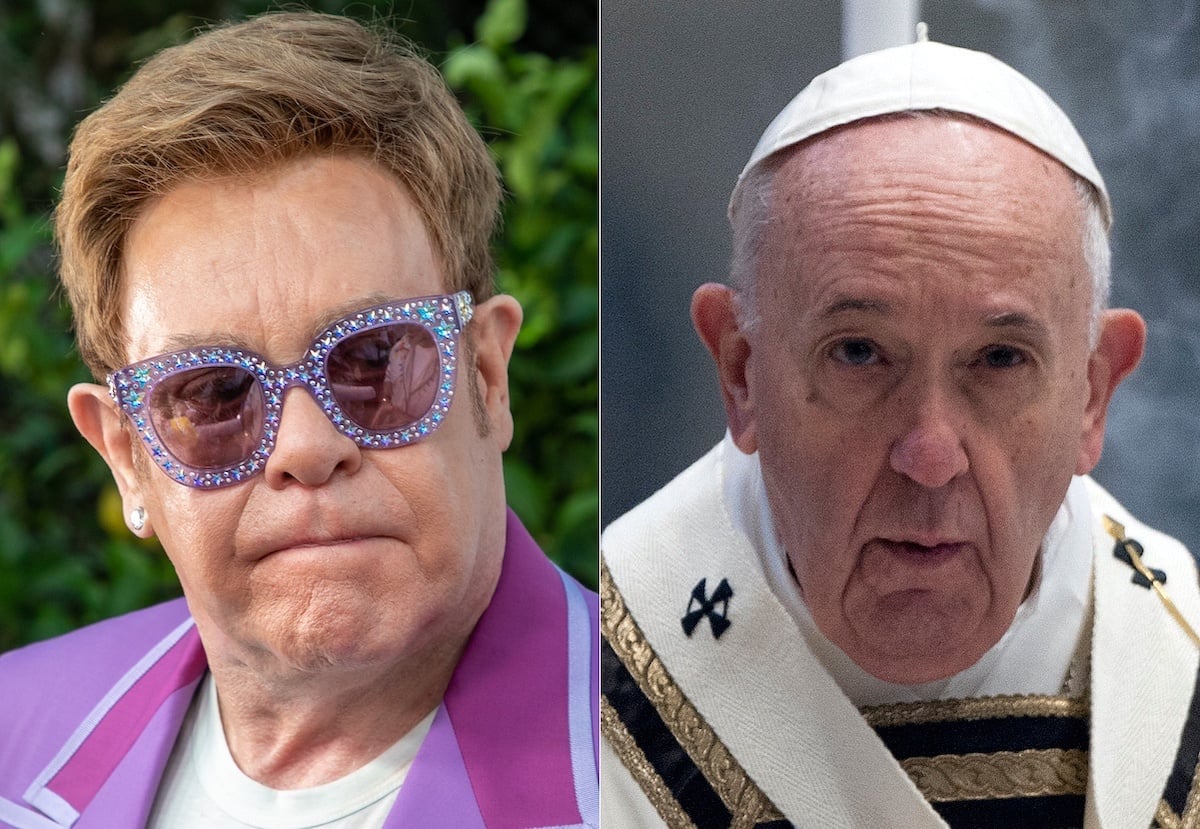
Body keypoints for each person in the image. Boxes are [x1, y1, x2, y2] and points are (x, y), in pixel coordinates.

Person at [0, 12, 598, 828]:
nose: (307, 448)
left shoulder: (694, 772)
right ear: (126, 457)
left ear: (487, 378)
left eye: (376, 358)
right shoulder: (13, 732)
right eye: (213, 393)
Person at [600, 34, 1200, 829]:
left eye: (997, 358)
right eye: (859, 353)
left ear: (1092, 394)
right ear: (741, 373)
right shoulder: (583, 694)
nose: (928, 454)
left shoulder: (1180, 663)